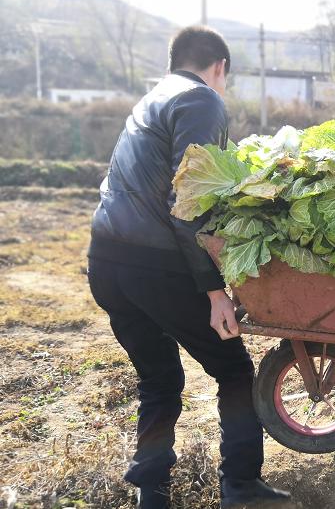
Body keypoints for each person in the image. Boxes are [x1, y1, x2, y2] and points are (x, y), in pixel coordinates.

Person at [87, 25, 292, 509]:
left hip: (106, 261)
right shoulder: (202, 100)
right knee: (236, 371)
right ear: (219, 67)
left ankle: (152, 497)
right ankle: (240, 486)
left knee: (159, 379)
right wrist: (215, 290)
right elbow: (190, 201)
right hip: (153, 263)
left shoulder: (152, 98)